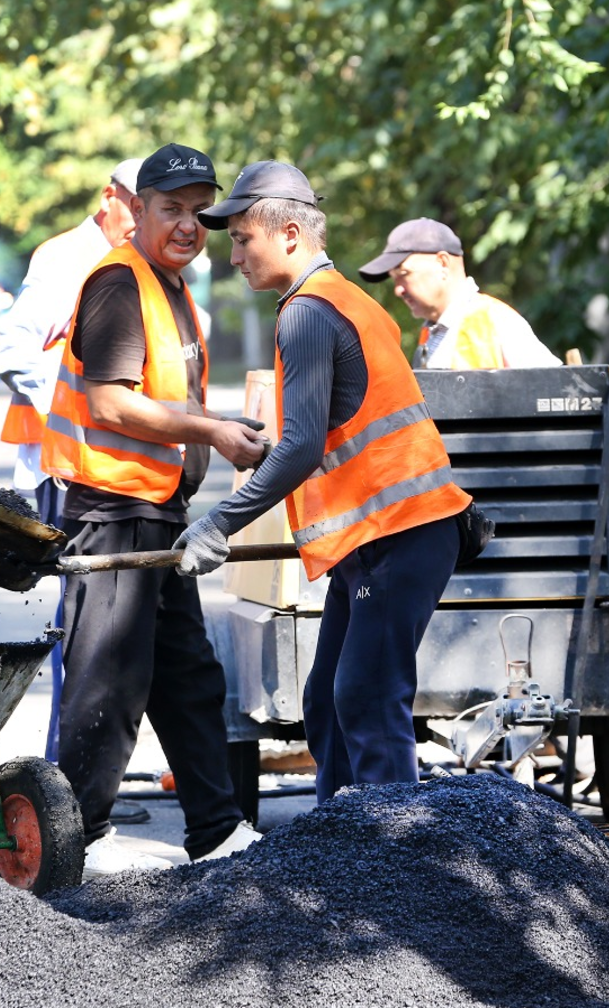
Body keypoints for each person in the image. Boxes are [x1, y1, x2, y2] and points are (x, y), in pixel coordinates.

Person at [183, 162, 474, 802]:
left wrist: (217, 523)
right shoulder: (342, 299)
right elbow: (335, 431)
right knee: (328, 701)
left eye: (240, 238)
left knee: (367, 697)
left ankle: (393, 863)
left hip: (400, 532)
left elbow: (304, 447)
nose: (231, 256)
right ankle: (334, 847)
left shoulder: (308, 314)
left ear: (289, 233)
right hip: (379, 537)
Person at [42, 142, 268, 875]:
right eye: (172, 209)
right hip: (112, 512)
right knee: (109, 678)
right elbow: (111, 402)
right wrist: (211, 430)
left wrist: (218, 430)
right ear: (135, 210)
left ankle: (216, 828)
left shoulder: (168, 287)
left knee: (188, 675)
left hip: (156, 510)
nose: (187, 225)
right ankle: (75, 839)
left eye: (200, 212)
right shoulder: (119, 283)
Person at [0, 158, 144, 788]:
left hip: (109, 467)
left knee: (113, 629)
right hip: (67, 467)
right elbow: (12, 347)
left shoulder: (135, 262)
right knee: (85, 626)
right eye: (140, 204)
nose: (148, 219)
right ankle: (67, 782)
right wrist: (77, 406)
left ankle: (86, 778)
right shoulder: (67, 259)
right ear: (111, 198)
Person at [358, 217, 560, 369]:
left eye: (404, 274)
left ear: (443, 263)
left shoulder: (494, 321)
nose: (398, 290)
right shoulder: (432, 334)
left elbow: (553, 393)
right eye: (394, 278)